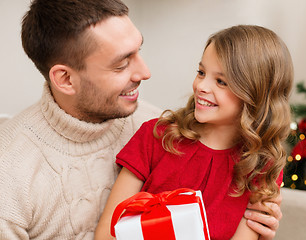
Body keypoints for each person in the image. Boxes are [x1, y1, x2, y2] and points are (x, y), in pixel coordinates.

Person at [0, 0, 283, 239]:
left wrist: (260, 226)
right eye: (121, 63)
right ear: (65, 78)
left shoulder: (155, 121)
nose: (145, 72)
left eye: (139, 50)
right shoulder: (10, 174)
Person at [95, 25, 293, 240]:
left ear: (255, 95)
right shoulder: (157, 136)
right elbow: (108, 232)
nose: (201, 86)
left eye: (221, 81)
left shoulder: (262, 166)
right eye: (201, 72)